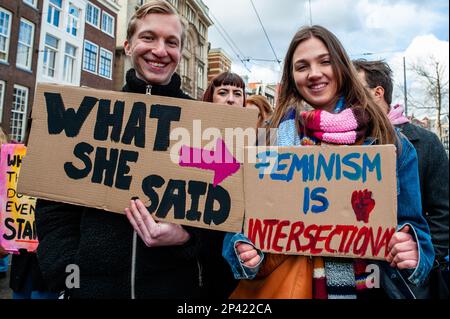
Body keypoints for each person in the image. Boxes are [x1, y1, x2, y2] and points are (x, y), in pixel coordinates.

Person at [224, 25, 434, 299]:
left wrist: (412, 247)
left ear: (342, 66)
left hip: (369, 289)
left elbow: (414, 225)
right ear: (291, 76)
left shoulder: (389, 141)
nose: (314, 73)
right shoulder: (267, 139)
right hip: (289, 287)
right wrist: (242, 249)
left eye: (325, 62)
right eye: (302, 66)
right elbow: (238, 226)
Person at [36, 0, 207, 299]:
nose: (160, 50)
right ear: (128, 46)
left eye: (171, 42)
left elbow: (226, 212)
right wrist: (68, 285)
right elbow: (54, 211)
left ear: (180, 52)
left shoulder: (205, 125)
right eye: (148, 37)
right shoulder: (89, 115)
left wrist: (188, 235)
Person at [354, 59, 449, 298]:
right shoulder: (348, 145)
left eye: (355, 91)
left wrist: (422, 257)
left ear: (378, 93)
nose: (349, 99)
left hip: (405, 280)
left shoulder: (425, 143)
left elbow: (443, 211)